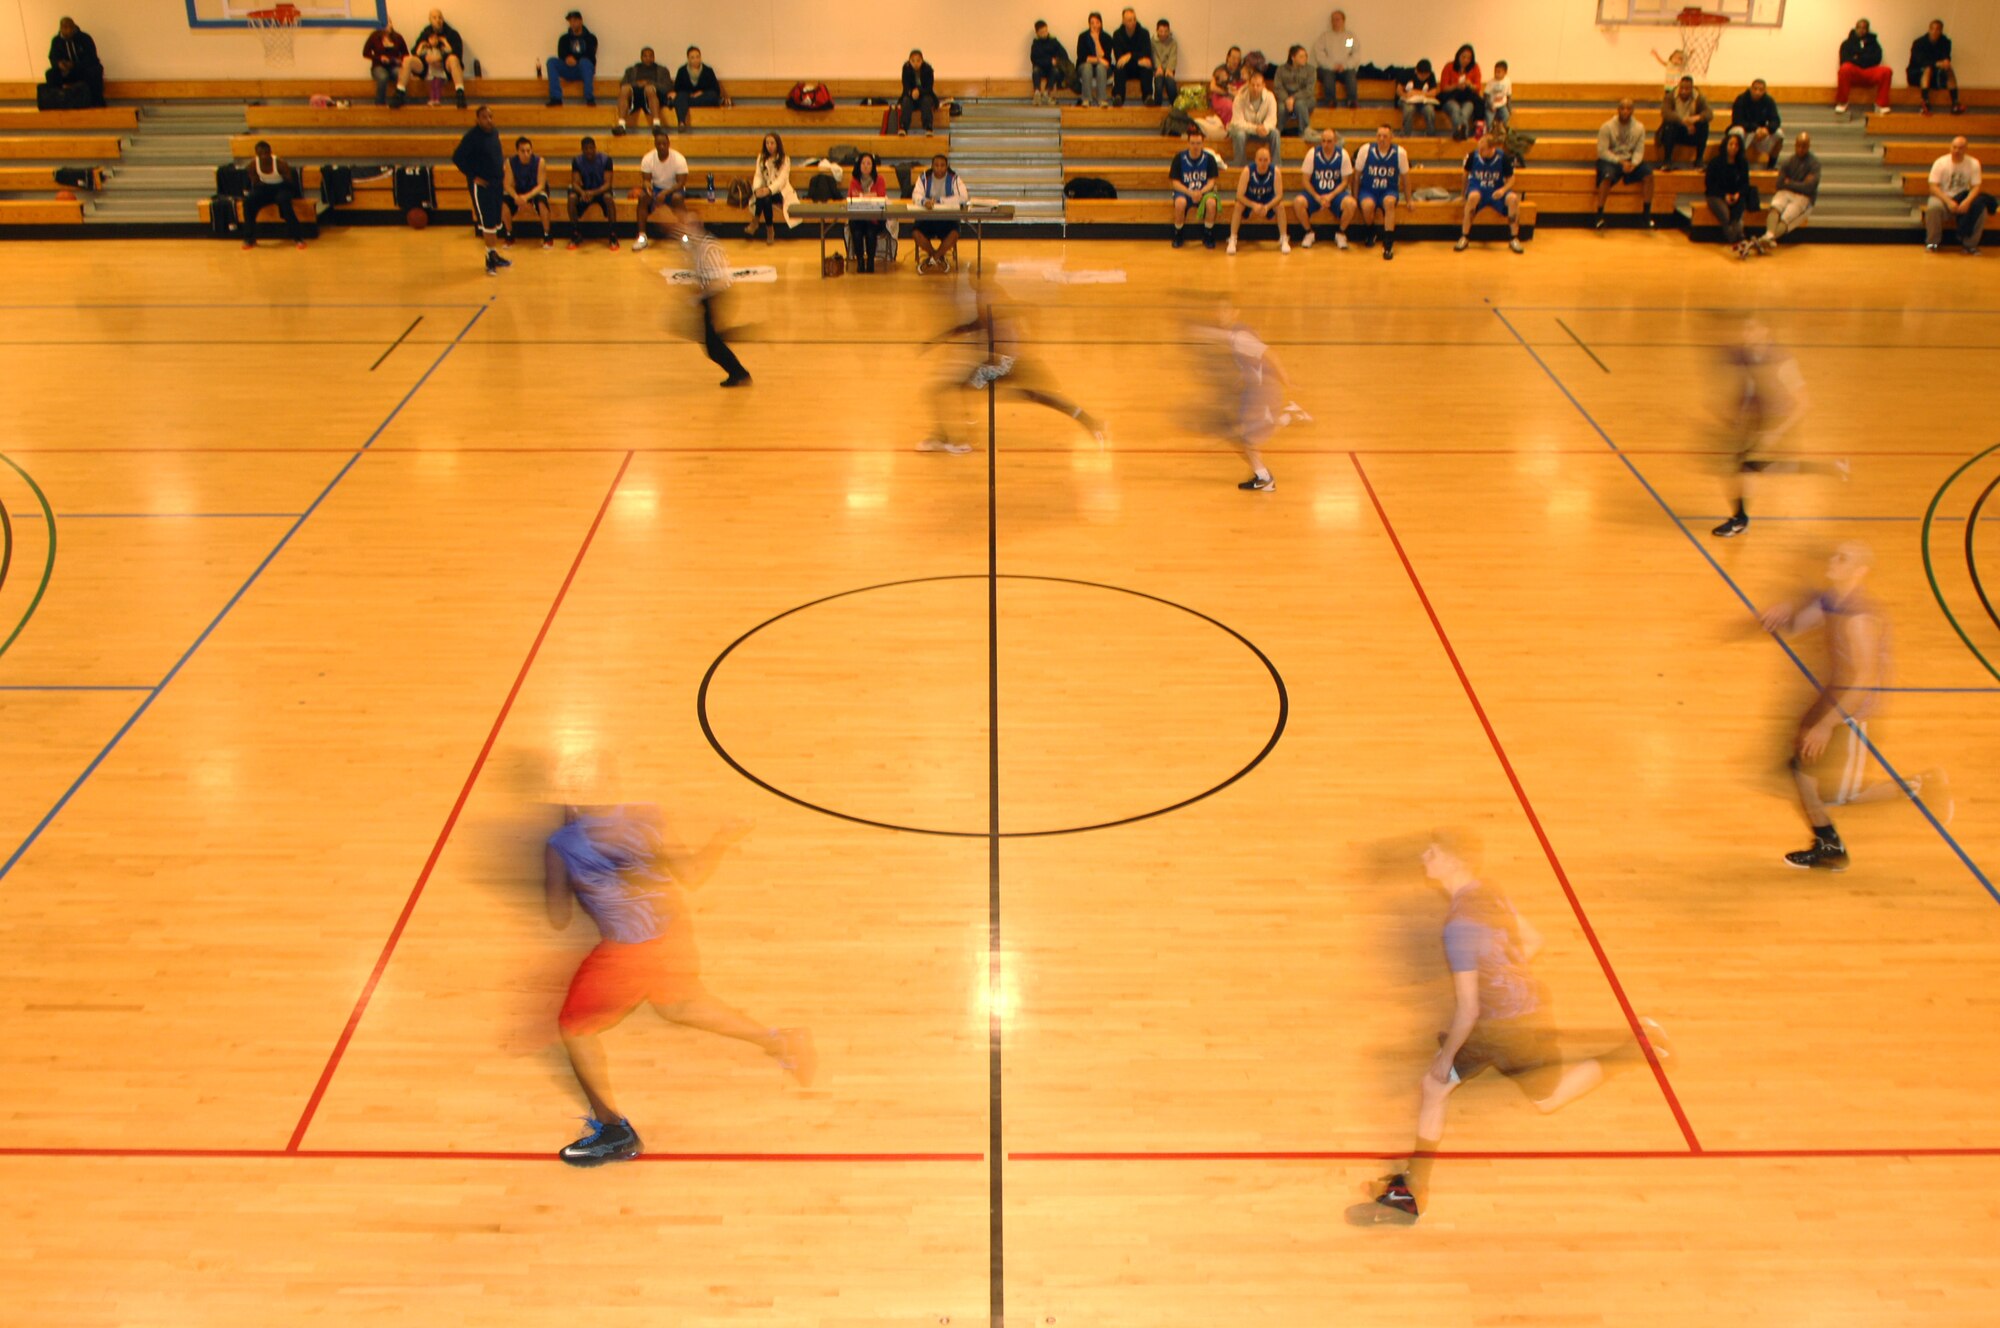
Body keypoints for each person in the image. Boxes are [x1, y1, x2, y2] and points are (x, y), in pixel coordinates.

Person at [1349, 830, 1670, 1226]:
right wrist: (1506, 982)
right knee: (1535, 1098)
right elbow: (1534, 941)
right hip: (1527, 1012)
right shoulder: (1489, 890)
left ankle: (1412, 1196)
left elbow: (1469, 1008)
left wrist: (1449, 1052)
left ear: (1453, 860)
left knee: (1438, 1084)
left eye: (1432, 853)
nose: (1424, 858)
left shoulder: (1457, 927)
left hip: (1497, 1028)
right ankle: (1637, 1051)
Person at [546, 803, 811, 1166]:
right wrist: (722, 837)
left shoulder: (564, 843)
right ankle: (780, 1040)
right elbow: (693, 874)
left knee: (573, 1028)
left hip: (628, 955)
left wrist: (569, 867)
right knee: (678, 1006)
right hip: (672, 935)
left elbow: (558, 916)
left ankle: (614, 1132)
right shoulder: (645, 817)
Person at [1758, 543, 1939, 870]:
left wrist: (1827, 724)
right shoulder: (1831, 599)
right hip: (1832, 698)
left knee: (1838, 794)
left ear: (1859, 572)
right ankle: (1828, 843)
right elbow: (1798, 625)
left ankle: (1918, 788)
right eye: (1834, 555)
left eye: (1842, 558)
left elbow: (1865, 678)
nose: (1833, 561)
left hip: (1854, 712)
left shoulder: (1860, 618)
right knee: (1800, 770)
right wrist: (1784, 612)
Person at [918, 277, 1107, 455]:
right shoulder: (992, 294)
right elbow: (984, 323)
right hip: (1007, 360)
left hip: (1002, 363)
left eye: (973, 277)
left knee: (950, 388)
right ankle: (1089, 421)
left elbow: (983, 323)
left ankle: (953, 440)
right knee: (1035, 395)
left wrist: (941, 338)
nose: (969, 280)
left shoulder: (989, 298)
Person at [1707, 319, 1823, 541]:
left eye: (1752, 328)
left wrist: (1777, 431)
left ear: (1766, 330)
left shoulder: (1782, 361)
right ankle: (1740, 519)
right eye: (1744, 328)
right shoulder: (1746, 356)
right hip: (1752, 423)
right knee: (1744, 467)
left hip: (1772, 424)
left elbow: (1804, 403)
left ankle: (1740, 520)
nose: (1745, 332)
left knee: (1745, 467)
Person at [1193, 304, 1294, 491]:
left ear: (1235, 312)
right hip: (1254, 391)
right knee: (1242, 436)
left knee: (1247, 437)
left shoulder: (1239, 336)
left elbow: (1269, 354)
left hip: (1262, 392)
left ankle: (1289, 418)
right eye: (1219, 310)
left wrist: (1286, 380)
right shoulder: (1238, 332)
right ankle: (1262, 475)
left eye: (1226, 310)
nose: (1221, 314)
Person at [667, 203, 752, 387]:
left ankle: (739, 373)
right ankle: (737, 369)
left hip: (717, 294)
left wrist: (699, 297)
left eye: (688, 224)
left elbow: (719, 281)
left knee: (712, 344)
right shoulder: (695, 243)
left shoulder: (709, 248)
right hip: (709, 294)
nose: (684, 228)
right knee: (711, 341)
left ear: (698, 225)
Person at [451, 105, 510, 276]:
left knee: (496, 222)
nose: (488, 120)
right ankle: (488, 258)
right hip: (482, 186)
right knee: (488, 223)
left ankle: (494, 254)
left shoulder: (494, 132)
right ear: (477, 119)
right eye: (484, 117)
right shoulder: (472, 137)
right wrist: (473, 175)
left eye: (490, 116)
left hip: (497, 183)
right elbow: (457, 157)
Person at [1743, 131, 1818, 256]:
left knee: (1787, 217)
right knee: (1775, 206)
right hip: (1786, 192)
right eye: (1798, 145)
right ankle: (1769, 236)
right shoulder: (1788, 161)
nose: (1800, 149)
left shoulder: (1814, 164)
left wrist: (1790, 183)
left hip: (1804, 197)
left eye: (1803, 146)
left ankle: (1767, 238)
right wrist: (1798, 184)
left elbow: (1809, 188)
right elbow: (1779, 184)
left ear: (1808, 146)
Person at [1592, 99, 1657, 230]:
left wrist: (1634, 163)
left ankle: (1646, 215)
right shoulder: (1607, 126)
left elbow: (1639, 150)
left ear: (1633, 111)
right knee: (1606, 176)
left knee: (1649, 175)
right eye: (1623, 108)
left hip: (1630, 160)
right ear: (1618, 110)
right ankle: (1599, 215)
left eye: (1628, 108)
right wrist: (1620, 162)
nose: (1625, 111)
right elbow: (1602, 151)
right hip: (1611, 160)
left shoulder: (1639, 127)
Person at [1457, 131, 1524, 253]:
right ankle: (1464, 236)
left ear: (1491, 148)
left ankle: (1514, 238)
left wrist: (1503, 190)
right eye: (1479, 148)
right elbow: (1465, 174)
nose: (1480, 152)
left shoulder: (1502, 157)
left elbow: (1511, 179)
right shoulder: (1473, 156)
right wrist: (1462, 194)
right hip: (1478, 187)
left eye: (1483, 150)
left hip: (1496, 189)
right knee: (1472, 197)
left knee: (1513, 199)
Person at [1925, 136, 1994, 254]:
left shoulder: (1973, 163)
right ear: (1950, 148)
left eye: (1960, 148)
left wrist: (1967, 201)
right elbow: (1933, 186)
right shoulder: (1940, 162)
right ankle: (1932, 242)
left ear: (1966, 149)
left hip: (1963, 197)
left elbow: (1976, 186)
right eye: (1954, 147)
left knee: (1981, 211)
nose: (1957, 151)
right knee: (1933, 207)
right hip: (1943, 197)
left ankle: (1970, 245)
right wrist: (1948, 201)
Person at [1292, 127, 1357, 250]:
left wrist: (1330, 196)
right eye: (1323, 141)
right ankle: (1309, 232)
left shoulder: (1343, 155)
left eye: (1329, 141)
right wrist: (1317, 197)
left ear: (1335, 141)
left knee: (1351, 204)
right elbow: (1305, 180)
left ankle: (1341, 233)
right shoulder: (1312, 154)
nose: (1326, 144)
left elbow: (1345, 182)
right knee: (1298, 202)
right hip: (1315, 193)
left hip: (1336, 194)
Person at [237, 140, 306, 250]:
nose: (264, 156)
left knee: (284, 201)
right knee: (248, 201)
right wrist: (261, 191)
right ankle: (249, 238)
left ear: (270, 152)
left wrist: (285, 191)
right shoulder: (253, 165)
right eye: (261, 154)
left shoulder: (280, 163)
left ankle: (298, 237)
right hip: (264, 187)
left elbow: (289, 181)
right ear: (257, 155)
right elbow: (255, 181)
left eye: (266, 153)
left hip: (282, 187)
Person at [1354, 123, 1407, 260]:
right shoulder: (1366, 149)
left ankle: (1388, 243)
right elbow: (1356, 175)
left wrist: (1409, 199)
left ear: (1391, 137)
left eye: (1385, 136)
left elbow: (1406, 177)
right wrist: (1355, 197)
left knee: (1389, 203)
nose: (1381, 139)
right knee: (1367, 206)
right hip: (1368, 190)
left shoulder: (1400, 153)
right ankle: (1371, 231)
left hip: (1388, 190)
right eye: (1379, 136)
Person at [396, 8, 465, 110]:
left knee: (454, 59)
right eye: (434, 17)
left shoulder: (452, 34)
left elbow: (458, 53)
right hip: (427, 68)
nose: (438, 20)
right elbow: (415, 51)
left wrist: (440, 57)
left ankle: (460, 94)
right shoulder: (425, 33)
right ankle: (399, 93)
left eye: (440, 17)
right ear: (430, 20)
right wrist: (426, 57)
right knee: (408, 60)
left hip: (445, 67)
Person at [632, 129, 688, 251]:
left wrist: (666, 192)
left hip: (674, 189)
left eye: (664, 144)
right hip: (656, 188)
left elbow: (681, 183)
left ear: (668, 144)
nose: (662, 146)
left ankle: (685, 236)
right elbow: (646, 180)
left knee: (677, 198)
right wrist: (648, 187)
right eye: (659, 144)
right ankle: (642, 237)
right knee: (642, 197)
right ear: (655, 145)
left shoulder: (679, 159)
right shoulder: (648, 158)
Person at [912, 153, 969, 273]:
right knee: (916, 233)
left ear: (947, 166)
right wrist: (924, 202)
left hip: (947, 219)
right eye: (936, 165)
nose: (939, 168)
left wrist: (940, 201)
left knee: (954, 234)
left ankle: (932, 260)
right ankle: (937, 256)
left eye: (942, 165)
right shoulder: (924, 177)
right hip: (927, 219)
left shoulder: (954, 178)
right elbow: (916, 195)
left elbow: (964, 197)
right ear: (932, 166)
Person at [1169, 127, 1224, 249]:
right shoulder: (1179, 158)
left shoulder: (1209, 159)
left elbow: (1211, 182)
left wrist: (1200, 192)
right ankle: (1178, 233)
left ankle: (1208, 233)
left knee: (1211, 203)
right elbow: (1175, 183)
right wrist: (1190, 192)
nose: (1195, 146)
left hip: (1203, 192)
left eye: (1198, 143)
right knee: (1180, 203)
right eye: (1192, 143)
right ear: (1188, 143)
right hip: (1185, 191)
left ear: (1202, 144)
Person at [1227, 143, 1286, 255]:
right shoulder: (1247, 171)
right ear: (1255, 160)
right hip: (1251, 199)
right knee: (1238, 205)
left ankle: (1283, 238)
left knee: (1280, 206)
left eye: (1266, 160)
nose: (1263, 163)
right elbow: (1239, 195)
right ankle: (1233, 238)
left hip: (1268, 200)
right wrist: (1253, 205)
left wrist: (1267, 206)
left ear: (1270, 160)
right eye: (1260, 160)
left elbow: (1279, 195)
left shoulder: (1275, 171)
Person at [500, 136, 554, 249]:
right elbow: (507, 184)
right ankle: (509, 234)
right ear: (517, 151)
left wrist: (526, 197)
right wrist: (516, 197)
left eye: (528, 150)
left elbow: (541, 185)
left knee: (542, 203)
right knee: (503, 204)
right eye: (523, 151)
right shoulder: (510, 162)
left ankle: (547, 235)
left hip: (535, 190)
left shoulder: (540, 162)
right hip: (518, 191)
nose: (526, 153)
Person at [565, 135, 618, 250]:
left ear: (595, 148)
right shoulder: (577, 161)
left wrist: (593, 193)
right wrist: (583, 192)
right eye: (586, 148)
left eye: (591, 148)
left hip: (600, 191)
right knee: (572, 197)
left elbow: (608, 184)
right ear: (582, 150)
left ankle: (613, 234)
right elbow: (575, 182)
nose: (589, 151)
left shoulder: (606, 160)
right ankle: (575, 233)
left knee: (609, 198)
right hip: (585, 192)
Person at [1703, 131, 1754, 246]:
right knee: (1726, 216)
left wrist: (1738, 194)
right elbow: (1710, 185)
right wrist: (1724, 195)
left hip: (1735, 195)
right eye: (1731, 144)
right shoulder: (1715, 163)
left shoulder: (1743, 163)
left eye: (1736, 145)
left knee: (1737, 216)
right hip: (1716, 195)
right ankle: (1735, 240)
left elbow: (1745, 184)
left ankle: (1741, 238)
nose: (1733, 148)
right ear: (1726, 145)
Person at [1835, 18, 1892, 117]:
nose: (1861, 30)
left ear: (1867, 30)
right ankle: (1842, 102)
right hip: (1855, 73)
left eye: (1864, 28)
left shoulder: (1874, 43)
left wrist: (1858, 57)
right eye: (1859, 28)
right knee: (1845, 68)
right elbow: (1844, 60)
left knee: (1886, 71)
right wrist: (1864, 58)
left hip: (1869, 72)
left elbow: (1877, 59)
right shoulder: (1847, 43)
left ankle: (1881, 104)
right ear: (1855, 28)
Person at [749, 132, 797, 245]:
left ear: (777, 144)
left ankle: (756, 221)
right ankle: (769, 230)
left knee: (765, 196)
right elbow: (758, 175)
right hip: (766, 191)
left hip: (780, 192)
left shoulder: (785, 159)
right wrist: (757, 189)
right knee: (765, 198)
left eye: (772, 143)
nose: (769, 146)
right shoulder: (761, 157)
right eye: (767, 143)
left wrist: (769, 190)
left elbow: (782, 180)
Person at [45, 17, 103, 108]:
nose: (68, 30)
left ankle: (95, 103)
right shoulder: (56, 41)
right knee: (50, 74)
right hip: (66, 71)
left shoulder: (85, 38)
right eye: (65, 27)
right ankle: (57, 103)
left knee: (94, 71)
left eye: (70, 27)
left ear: (74, 26)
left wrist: (74, 65)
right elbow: (53, 57)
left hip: (83, 68)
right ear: (60, 28)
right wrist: (59, 64)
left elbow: (91, 58)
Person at [1658, 75, 1713, 170]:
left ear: (1692, 89)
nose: (1683, 91)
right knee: (1669, 124)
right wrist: (1683, 122)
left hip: (1692, 131)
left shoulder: (1699, 97)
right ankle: (1667, 160)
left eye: (1687, 89)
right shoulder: (1670, 96)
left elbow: (1709, 114)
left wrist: (1697, 118)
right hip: (1675, 132)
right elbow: (1665, 113)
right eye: (1682, 88)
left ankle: (1699, 159)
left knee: (1704, 125)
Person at [1908, 20, 1962, 117]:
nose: (1934, 32)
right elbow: (1919, 61)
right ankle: (1925, 102)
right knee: (1928, 68)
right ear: (1929, 30)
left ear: (1941, 31)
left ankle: (1955, 102)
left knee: (1948, 69)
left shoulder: (1945, 42)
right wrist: (1936, 63)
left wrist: (1946, 62)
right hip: (1916, 73)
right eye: (1932, 29)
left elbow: (1946, 56)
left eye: (1937, 29)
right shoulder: (1919, 43)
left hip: (1936, 75)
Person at [847, 151, 889, 272]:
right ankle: (860, 261)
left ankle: (870, 262)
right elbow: (852, 197)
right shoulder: (854, 180)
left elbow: (880, 196)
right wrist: (870, 195)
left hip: (874, 218)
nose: (866, 166)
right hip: (858, 217)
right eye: (863, 163)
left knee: (871, 233)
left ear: (873, 166)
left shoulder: (879, 179)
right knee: (857, 232)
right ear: (859, 165)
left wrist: (862, 195)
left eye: (869, 163)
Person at [1728, 78, 1784, 168]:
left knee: (1779, 134)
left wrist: (1767, 129)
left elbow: (1776, 120)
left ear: (1764, 91)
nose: (1757, 92)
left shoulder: (1769, 101)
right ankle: (1735, 164)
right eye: (1755, 89)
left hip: (1761, 135)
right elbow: (1737, 120)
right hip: (1745, 132)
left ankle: (1771, 166)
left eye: (1761, 90)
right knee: (1737, 131)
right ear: (1751, 89)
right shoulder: (1741, 99)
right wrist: (1755, 128)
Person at [1230, 68, 1281, 167]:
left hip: (1262, 130)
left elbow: (1272, 120)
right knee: (1239, 135)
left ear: (1263, 86)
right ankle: (1239, 165)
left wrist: (1265, 127)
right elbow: (1237, 122)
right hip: (1243, 130)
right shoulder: (1239, 98)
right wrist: (1255, 128)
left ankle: (1276, 165)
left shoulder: (1270, 97)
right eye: (1252, 85)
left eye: (1258, 85)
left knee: (1275, 133)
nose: (1255, 88)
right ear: (1248, 85)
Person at [546, 10, 597, 108]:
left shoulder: (591, 38)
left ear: (581, 21)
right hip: (568, 68)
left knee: (584, 62)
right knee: (551, 61)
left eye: (575, 21)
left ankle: (589, 98)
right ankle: (556, 98)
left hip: (583, 69)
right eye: (570, 21)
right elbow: (561, 54)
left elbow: (591, 55)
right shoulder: (564, 38)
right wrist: (567, 58)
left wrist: (576, 60)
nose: (572, 24)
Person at [1312, 10, 1360, 109]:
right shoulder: (1325, 36)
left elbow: (1354, 54)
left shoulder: (1349, 38)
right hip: (1328, 68)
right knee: (1328, 75)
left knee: (1351, 74)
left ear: (1343, 21)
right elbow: (1319, 53)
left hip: (1344, 68)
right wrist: (1331, 66)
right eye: (1333, 20)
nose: (1335, 22)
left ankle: (1352, 101)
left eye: (1337, 19)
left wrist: (1345, 65)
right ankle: (1330, 102)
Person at [673, 47, 729, 130]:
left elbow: (715, 88)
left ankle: (687, 104)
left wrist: (702, 92)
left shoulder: (708, 70)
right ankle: (681, 122)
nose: (695, 59)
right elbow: (677, 88)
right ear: (688, 59)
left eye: (697, 56)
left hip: (702, 97)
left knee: (712, 96)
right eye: (692, 57)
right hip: (688, 96)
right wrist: (690, 94)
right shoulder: (682, 71)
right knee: (680, 96)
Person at [1108, 8, 1154, 108]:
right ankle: (1118, 97)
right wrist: (1137, 58)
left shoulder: (1144, 33)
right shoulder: (1117, 34)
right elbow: (1119, 57)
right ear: (1123, 21)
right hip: (1127, 68)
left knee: (1147, 68)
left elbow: (1146, 53)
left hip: (1139, 68)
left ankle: (1148, 97)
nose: (1133, 22)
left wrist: (1130, 56)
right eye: (1129, 20)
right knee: (1119, 68)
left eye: (1134, 19)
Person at [1438, 45, 1484, 142]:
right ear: (1458, 56)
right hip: (1451, 97)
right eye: (1463, 57)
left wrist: (1470, 84)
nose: (1466, 60)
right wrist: (1456, 86)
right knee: (1455, 109)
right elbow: (1444, 87)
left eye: (1469, 58)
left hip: (1468, 97)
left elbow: (1478, 87)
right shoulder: (1449, 67)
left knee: (1465, 111)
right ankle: (1462, 135)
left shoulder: (1475, 68)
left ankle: (1460, 134)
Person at [617, 47, 666, 133]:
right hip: (634, 94)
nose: (648, 58)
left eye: (650, 56)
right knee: (624, 89)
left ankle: (656, 124)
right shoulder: (631, 70)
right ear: (641, 57)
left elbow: (667, 87)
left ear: (654, 57)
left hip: (653, 94)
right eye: (645, 56)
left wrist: (649, 83)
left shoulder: (662, 70)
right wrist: (637, 84)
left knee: (649, 89)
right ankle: (621, 125)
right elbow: (623, 84)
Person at [361, 19, 407, 107]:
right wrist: (379, 58)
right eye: (385, 23)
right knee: (383, 77)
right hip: (379, 65)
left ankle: (401, 101)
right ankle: (380, 103)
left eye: (389, 22)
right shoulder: (374, 36)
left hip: (394, 65)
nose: (388, 25)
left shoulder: (398, 37)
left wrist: (397, 59)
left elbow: (406, 54)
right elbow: (365, 53)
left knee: (401, 74)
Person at [407, 26, 456, 107]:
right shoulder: (427, 50)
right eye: (431, 39)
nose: (434, 41)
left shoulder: (441, 49)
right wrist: (422, 45)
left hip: (439, 71)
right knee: (432, 85)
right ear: (428, 40)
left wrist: (444, 41)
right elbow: (417, 53)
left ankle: (437, 99)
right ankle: (432, 98)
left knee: (437, 84)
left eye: (436, 39)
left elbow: (450, 50)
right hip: (431, 71)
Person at [1275, 46, 1315, 139]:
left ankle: (1304, 132)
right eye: (1301, 56)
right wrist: (1286, 99)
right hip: (1285, 98)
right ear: (1293, 57)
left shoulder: (1311, 70)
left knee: (1300, 104)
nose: (1304, 58)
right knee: (1281, 108)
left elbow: (1309, 90)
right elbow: (1278, 88)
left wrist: (1293, 98)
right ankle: (1278, 132)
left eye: (1305, 56)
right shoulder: (1281, 69)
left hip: (1305, 99)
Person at [1076, 14, 1113, 110]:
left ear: (1101, 24)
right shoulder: (1083, 37)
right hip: (1084, 67)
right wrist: (1099, 60)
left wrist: (1096, 40)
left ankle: (1101, 99)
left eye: (1097, 22)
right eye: (1092, 23)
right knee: (1087, 66)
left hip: (1103, 68)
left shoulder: (1107, 37)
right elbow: (1082, 58)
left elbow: (1106, 58)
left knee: (1100, 67)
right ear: (1089, 24)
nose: (1094, 25)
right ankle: (1086, 99)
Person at [899, 48, 938, 134]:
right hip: (911, 95)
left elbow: (929, 88)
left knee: (926, 101)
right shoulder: (906, 69)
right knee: (906, 101)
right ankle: (903, 127)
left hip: (925, 94)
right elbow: (905, 86)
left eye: (918, 61)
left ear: (922, 61)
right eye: (913, 61)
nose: (916, 63)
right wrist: (911, 92)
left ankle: (928, 126)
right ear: (909, 61)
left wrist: (919, 92)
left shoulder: (928, 69)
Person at [1400, 59, 1441, 137]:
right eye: (1421, 75)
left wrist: (1416, 93)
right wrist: (1405, 96)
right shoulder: (1407, 73)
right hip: (1408, 100)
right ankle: (1406, 134)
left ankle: (1430, 134)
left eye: (1426, 75)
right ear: (1416, 71)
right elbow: (1399, 90)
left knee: (1429, 110)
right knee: (1409, 109)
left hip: (1423, 101)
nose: (1423, 77)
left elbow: (1433, 92)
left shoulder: (1431, 75)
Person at [1030, 20, 1067, 106]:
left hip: (1051, 69)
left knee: (1056, 71)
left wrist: (1056, 60)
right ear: (1037, 33)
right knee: (1035, 70)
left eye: (1046, 31)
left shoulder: (1054, 41)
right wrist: (1050, 61)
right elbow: (1034, 59)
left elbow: (1064, 55)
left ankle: (1046, 93)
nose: (1044, 33)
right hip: (1041, 68)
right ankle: (1037, 93)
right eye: (1042, 32)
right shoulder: (1035, 44)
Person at [1151, 19, 1181, 107]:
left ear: (1169, 31)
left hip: (1169, 69)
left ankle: (1175, 106)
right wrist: (1158, 67)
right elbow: (1154, 55)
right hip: (1157, 69)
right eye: (1161, 31)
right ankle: (1157, 107)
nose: (1163, 34)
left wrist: (1169, 69)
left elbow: (1173, 57)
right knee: (1158, 84)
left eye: (1166, 31)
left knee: (1171, 83)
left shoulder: (1173, 43)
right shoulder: (1152, 42)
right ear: (1157, 31)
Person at [1485, 60, 1514, 132]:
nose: (1496, 74)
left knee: (1506, 115)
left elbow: (1508, 95)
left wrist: (1509, 108)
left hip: (1502, 104)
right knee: (1489, 118)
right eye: (1495, 72)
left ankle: (1501, 128)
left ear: (1505, 72)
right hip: (1492, 104)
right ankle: (1490, 131)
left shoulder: (1507, 81)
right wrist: (1490, 105)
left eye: (1499, 72)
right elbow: (1486, 95)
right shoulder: (1491, 82)